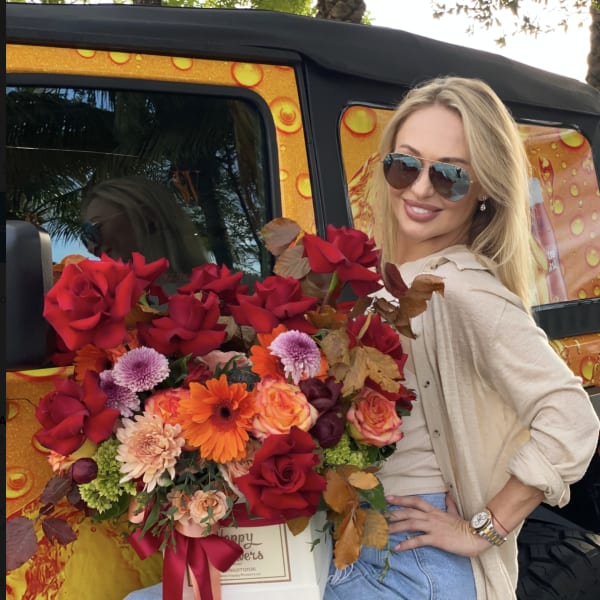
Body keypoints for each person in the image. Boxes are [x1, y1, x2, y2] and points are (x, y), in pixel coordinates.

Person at [324, 76, 600, 599]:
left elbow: (572, 419)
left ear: (484, 190)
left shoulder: (463, 290)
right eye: (405, 165)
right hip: (370, 541)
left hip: (411, 559)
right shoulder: (398, 280)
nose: (420, 189)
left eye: (449, 176)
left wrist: (483, 530)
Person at [80, 176, 210, 283]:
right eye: (85, 237)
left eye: (94, 227)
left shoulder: (211, 295)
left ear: (147, 217)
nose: (91, 248)